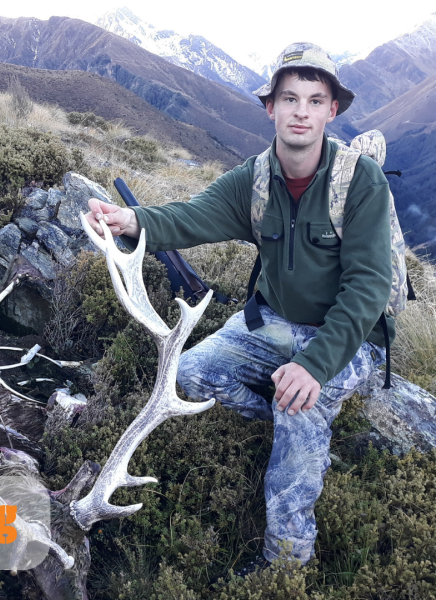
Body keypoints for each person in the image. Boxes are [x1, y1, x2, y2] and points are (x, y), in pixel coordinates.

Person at [84, 42, 393, 567]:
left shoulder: (359, 180)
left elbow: (369, 286)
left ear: (332, 110)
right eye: (289, 99)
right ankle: (296, 430)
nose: (301, 112)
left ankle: (286, 559)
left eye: (315, 101)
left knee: (300, 404)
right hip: (272, 322)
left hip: (351, 337)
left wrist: (314, 366)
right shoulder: (253, 180)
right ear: (270, 106)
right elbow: (191, 216)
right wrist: (130, 222)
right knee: (190, 373)